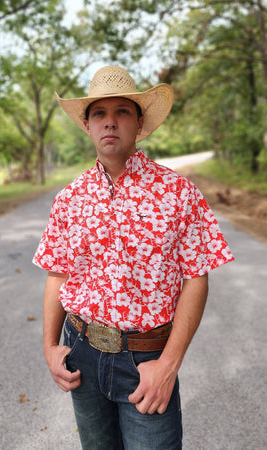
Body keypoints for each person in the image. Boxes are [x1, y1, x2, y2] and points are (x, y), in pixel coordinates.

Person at [33, 65, 234, 450]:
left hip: (147, 360)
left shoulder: (178, 193)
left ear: (139, 123)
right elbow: (58, 274)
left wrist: (169, 364)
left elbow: (196, 277)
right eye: (99, 114)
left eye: (122, 112)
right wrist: (49, 347)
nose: (110, 122)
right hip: (82, 352)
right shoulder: (69, 199)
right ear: (88, 126)